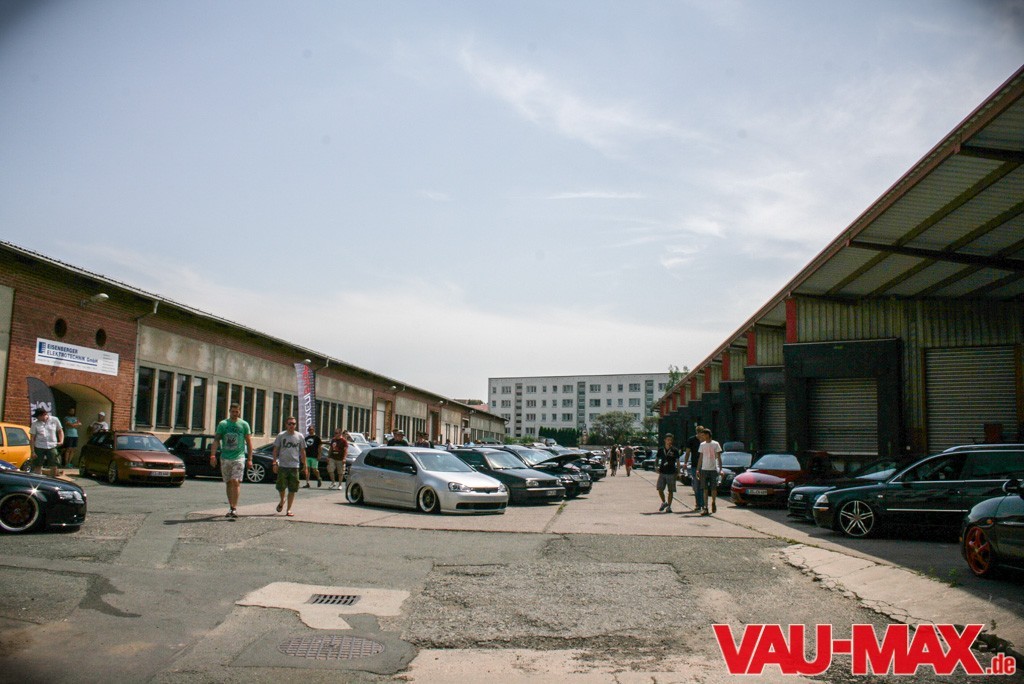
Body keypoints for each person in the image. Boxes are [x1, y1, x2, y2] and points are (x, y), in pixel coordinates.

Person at [210, 403, 253, 519]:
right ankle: (231, 506)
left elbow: (249, 442)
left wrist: (250, 459)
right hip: (225, 457)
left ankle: (234, 508)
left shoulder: (244, 424)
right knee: (229, 482)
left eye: (237, 411)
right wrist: (212, 455)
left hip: (239, 457)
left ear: (239, 412)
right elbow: (216, 440)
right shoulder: (223, 424)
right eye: (233, 411)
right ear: (229, 411)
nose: (235, 414)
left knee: (235, 481)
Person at [273, 417, 307, 516]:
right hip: (283, 465)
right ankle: (282, 500)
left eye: (293, 424)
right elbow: (275, 450)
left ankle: (289, 509)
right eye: (289, 424)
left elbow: (302, 451)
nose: (291, 426)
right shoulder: (281, 435)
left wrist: (305, 465)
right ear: (286, 425)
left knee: (293, 489)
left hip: (294, 466)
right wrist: (274, 463)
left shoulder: (299, 436)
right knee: (281, 487)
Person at [30, 407, 64, 477]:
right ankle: (38, 479)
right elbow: (32, 438)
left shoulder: (54, 420)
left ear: (44, 414)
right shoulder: (35, 424)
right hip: (39, 446)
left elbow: (60, 431)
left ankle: (52, 479)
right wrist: (32, 451)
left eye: (38, 416)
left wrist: (61, 441)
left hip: (52, 445)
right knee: (38, 464)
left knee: (54, 464)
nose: (37, 418)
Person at [697, 428, 723, 516]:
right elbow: (700, 457)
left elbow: (719, 457)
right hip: (704, 469)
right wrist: (698, 469)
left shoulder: (716, 444)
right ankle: (705, 507)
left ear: (708, 435)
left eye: (703, 435)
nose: (702, 437)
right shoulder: (702, 445)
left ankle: (713, 502)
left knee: (713, 488)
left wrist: (720, 469)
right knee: (705, 489)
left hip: (713, 469)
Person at [654, 434, 680, 513]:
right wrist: (656, 467)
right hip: (662, 471)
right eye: (668, 440)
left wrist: (678, 471)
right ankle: (664, 502)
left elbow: (677, 461)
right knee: (660, 488)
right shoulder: (661, 449)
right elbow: (657, 459)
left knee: (670, 490)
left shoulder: (674, 450)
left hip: (671, 472)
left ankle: (669, 506)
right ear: (665, 440)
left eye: (670, 440)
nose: (669, 441)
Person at [686, 427, 705, 513]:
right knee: (696, 486)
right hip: (694, 465)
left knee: (703, 486)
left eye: (701, 432)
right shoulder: (691, 440)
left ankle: (703, 504)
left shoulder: (705, 440)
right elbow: (688, 452)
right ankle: (698, 504)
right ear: (696, 432)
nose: (700, 434)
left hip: (705, 466)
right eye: (699, 432)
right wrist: (685, 463)